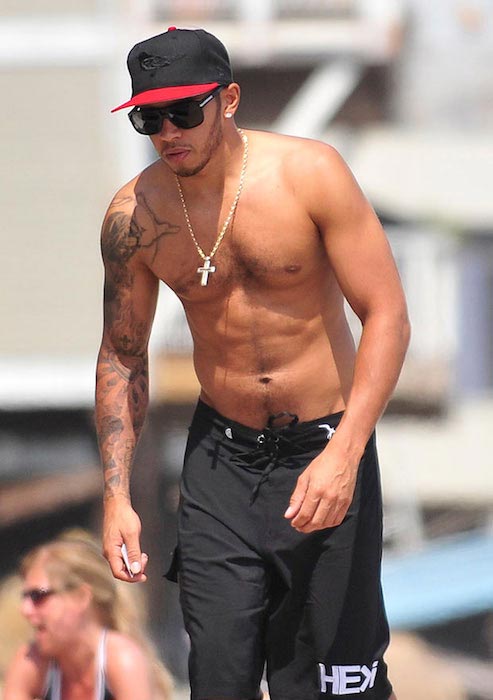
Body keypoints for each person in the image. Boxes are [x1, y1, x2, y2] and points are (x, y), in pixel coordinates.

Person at [96, 26, 410, 700]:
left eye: (184, 111)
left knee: (334, 681)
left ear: (229, 99)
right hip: (221, 462)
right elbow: (123, 355)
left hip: (324, 448)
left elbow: (386, 314)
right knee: (218, 675)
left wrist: (345, 453)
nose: (168, 132)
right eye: (149, 118)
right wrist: (117, 496)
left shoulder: (310, 174)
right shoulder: (134, 215)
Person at [3, 532, 172, 700]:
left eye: (38, 596)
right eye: (25, 597)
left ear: (80, 597)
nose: (25, 610)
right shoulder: (31, 662)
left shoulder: (122, 661)